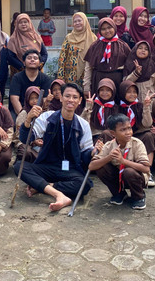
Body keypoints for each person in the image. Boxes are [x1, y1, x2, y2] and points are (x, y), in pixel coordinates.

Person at [13, 82, 96, 212]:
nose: (70, 100)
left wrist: (93, 152)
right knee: (19, 166)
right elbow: (26, 139)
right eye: (67, 96)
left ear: (80, 101)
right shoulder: (47, 117)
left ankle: (44, 187)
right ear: (61, 98)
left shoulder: (83, 124)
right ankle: (58, 195)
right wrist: (28, 119)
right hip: (48, 166)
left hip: (70, 169)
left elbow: (85, 156)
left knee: (85, 184)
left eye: (75, 97)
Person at [89, 113, 152, 209]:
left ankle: (138, 196)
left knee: (128, 171)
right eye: (123, 130)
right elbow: (91, 166)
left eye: (129, 128)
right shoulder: (109, 145)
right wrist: (109, 157)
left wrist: (123, 161)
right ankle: (119, 194)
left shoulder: (137, 144)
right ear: (113, 133)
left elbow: (146, 168)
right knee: (101, 167)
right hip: (118, 178)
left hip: (136, 178)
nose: (128, 132)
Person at [118, 80, 155, 186]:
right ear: (122, 93)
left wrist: (146, 107)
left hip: (137, 134)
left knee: (148, 136)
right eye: (129, 92)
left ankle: (148, 170)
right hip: (123, 136)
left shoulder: (139, 105)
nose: (132, 94)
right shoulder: (118, 107)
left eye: (134, 92)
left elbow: (147, 124)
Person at [0, 13, 47, 95]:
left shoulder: (37, 37)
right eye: (20, 22)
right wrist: (23, 67)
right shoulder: (13, 39)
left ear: (29, 23)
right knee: (20, 94)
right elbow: (10, 57)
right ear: (16, 24)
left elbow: (44, 53)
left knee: (36, 94)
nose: (23, 24)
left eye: (25, 22)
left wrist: (39, 64)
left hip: (37, 70)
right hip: (19, 71)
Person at [83, 17, 131, 98]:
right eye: (103, 29)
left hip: (117, 81)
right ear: (100, 31)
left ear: (114, 27)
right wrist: (86, 87)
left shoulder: (123, 45)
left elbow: (129, 66)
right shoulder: (95, 46)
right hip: (98, 80)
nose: (107, 31)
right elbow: (88, 68)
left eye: (109, 28)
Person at [8, 49, 52, 119]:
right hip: (20, 111)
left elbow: (45, 99)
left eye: (35, 58)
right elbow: (14, 99)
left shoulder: (45, 79)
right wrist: (23, 115)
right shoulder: (17, 77)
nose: (32, 60)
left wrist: (38, 114)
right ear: (24, 62)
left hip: (39, 112)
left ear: (40, 63)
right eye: (29, 58)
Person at [57, 12, 97, 85]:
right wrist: (60, 77)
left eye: (79, 20)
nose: (77, 23)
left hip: (87, 75)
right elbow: (62, 58)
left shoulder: (93, 37)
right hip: (70, 76)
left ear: (84, 21)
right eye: (75, 21)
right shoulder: (69, 37)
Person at [81, 78, 119, 143]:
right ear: (98, 91)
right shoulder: (94, 104)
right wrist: (88, 107)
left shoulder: (115, 107)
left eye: (108, 90)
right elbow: (83, 121)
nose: (105, 93)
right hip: (94, 135)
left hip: (110, 137)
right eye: (102, 90)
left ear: (113, 92)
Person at [14, 87, 43, 162]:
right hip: (25, 142)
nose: (34, 101)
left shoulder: (43, 112)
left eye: (36, 98)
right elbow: (18, 134)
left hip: (41, 142)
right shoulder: (24, 113)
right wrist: (33, 141)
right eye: (31, 98)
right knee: (26, 151)